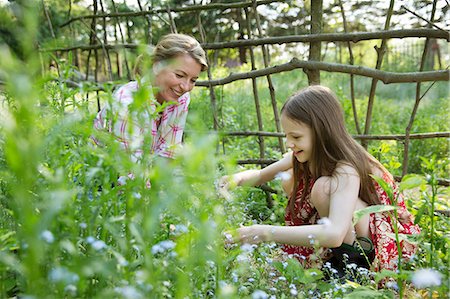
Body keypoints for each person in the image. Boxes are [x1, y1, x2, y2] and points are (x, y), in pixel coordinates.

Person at [221, 85, 420, 275]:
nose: (289, 144)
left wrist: (262, 232)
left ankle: (353, 266)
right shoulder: (304, 155)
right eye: (287, 136)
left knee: (322, 188)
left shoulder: (345, 168)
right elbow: (261, 175)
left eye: (296, 137)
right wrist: (234, 179)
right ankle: (337, 259)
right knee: (291, 177)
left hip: (384, 241)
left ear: (321, 133)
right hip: (348, 229)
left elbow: (334, 233)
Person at [93, 33, 208, 168]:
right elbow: (130, 176)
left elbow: (169, 153)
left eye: (193, 80)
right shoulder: (128, 105)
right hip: (103, 180)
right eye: (179, 75)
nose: (186, 86)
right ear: (157, 66)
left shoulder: (180, 99)